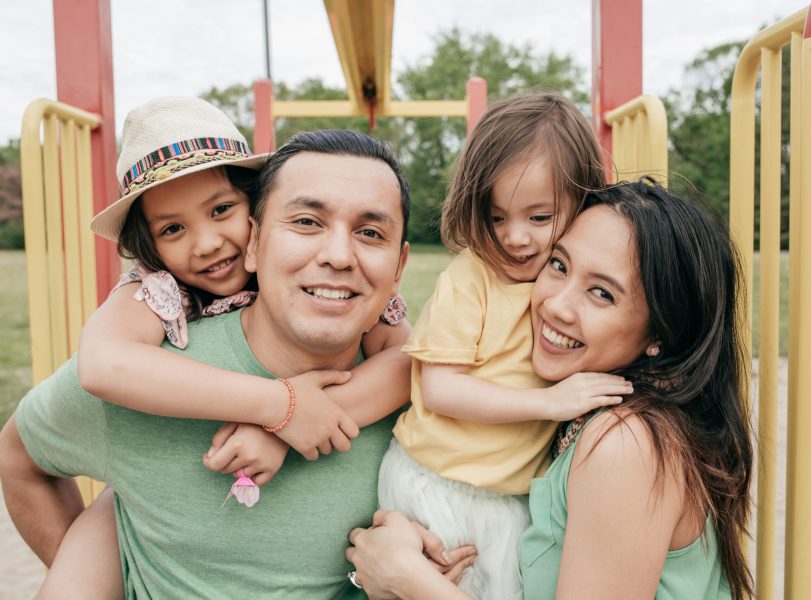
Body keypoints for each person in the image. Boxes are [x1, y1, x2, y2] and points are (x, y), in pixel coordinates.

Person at [0, 127, 432, 598]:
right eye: (307, 222)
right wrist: (98, 578)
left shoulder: (432, 393)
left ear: (399, 268)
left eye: (370, 233)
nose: (338, 255)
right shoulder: (148, 371)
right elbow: (22, 453)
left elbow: (416, 366)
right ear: (255, 241)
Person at [347, 179, 755, 599]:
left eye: (601, 293)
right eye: (559, 265)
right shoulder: (590, 409)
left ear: (661, 334)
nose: (556, 305)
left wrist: (407, 579)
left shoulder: (625, 443)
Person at [377, 92, 630, 600]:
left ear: (582, 202)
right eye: (498, 218)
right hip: (439, 484)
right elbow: (442, 388)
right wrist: (549, 403)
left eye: (540, 218)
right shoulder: (473, 278)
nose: (515, 238)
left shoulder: (562, 284)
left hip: (507, 498)